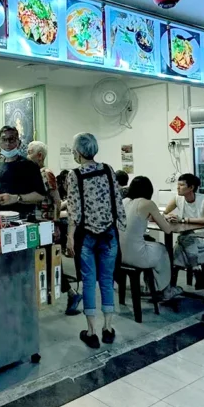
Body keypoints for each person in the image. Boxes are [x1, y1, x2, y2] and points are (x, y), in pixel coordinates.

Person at [65, 133, 126, 348]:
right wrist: (120, 224)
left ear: (79, 152)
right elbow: (117, 199)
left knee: (89, 282)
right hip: (109, 234)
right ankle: (108, 328)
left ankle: (91, 332)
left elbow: (74, 210)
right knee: (107, 280)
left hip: (86, 236)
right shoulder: (108, 169)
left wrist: (70, 237)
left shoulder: (74, 175)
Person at [120, 176, 181, 301]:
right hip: (137, 256)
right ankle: (166, 290)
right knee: (163, 250)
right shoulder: (147, 203)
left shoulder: (124, 201)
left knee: (153, 245)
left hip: (119, 255)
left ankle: (152, 286)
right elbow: (167, 230)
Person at [164, 173, 204, 289]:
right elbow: (165, 212)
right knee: (184, 240)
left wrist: (183, 220)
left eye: (181, 185)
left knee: (180, 244)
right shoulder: (178, 198)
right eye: (177, 185)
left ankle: (170, 287)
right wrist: (168, 217)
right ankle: (195, 269)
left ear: (191, 187)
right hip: (189, 237)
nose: (178, 187)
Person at [0, 126, 46, 218]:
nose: (7, 143)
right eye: (4, 139)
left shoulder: (29, 165)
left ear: (19, 143)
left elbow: (40, 196)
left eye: (11, 139)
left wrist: (16, 198)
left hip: (21, 220)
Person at [26, 141, 61, 222]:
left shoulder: (46, 173)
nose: (27, 156)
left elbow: (57, 200)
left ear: (40, 155)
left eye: (30, 153)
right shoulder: (33, 174)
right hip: (34, 220)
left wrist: (56, 222)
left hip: (46, 221)